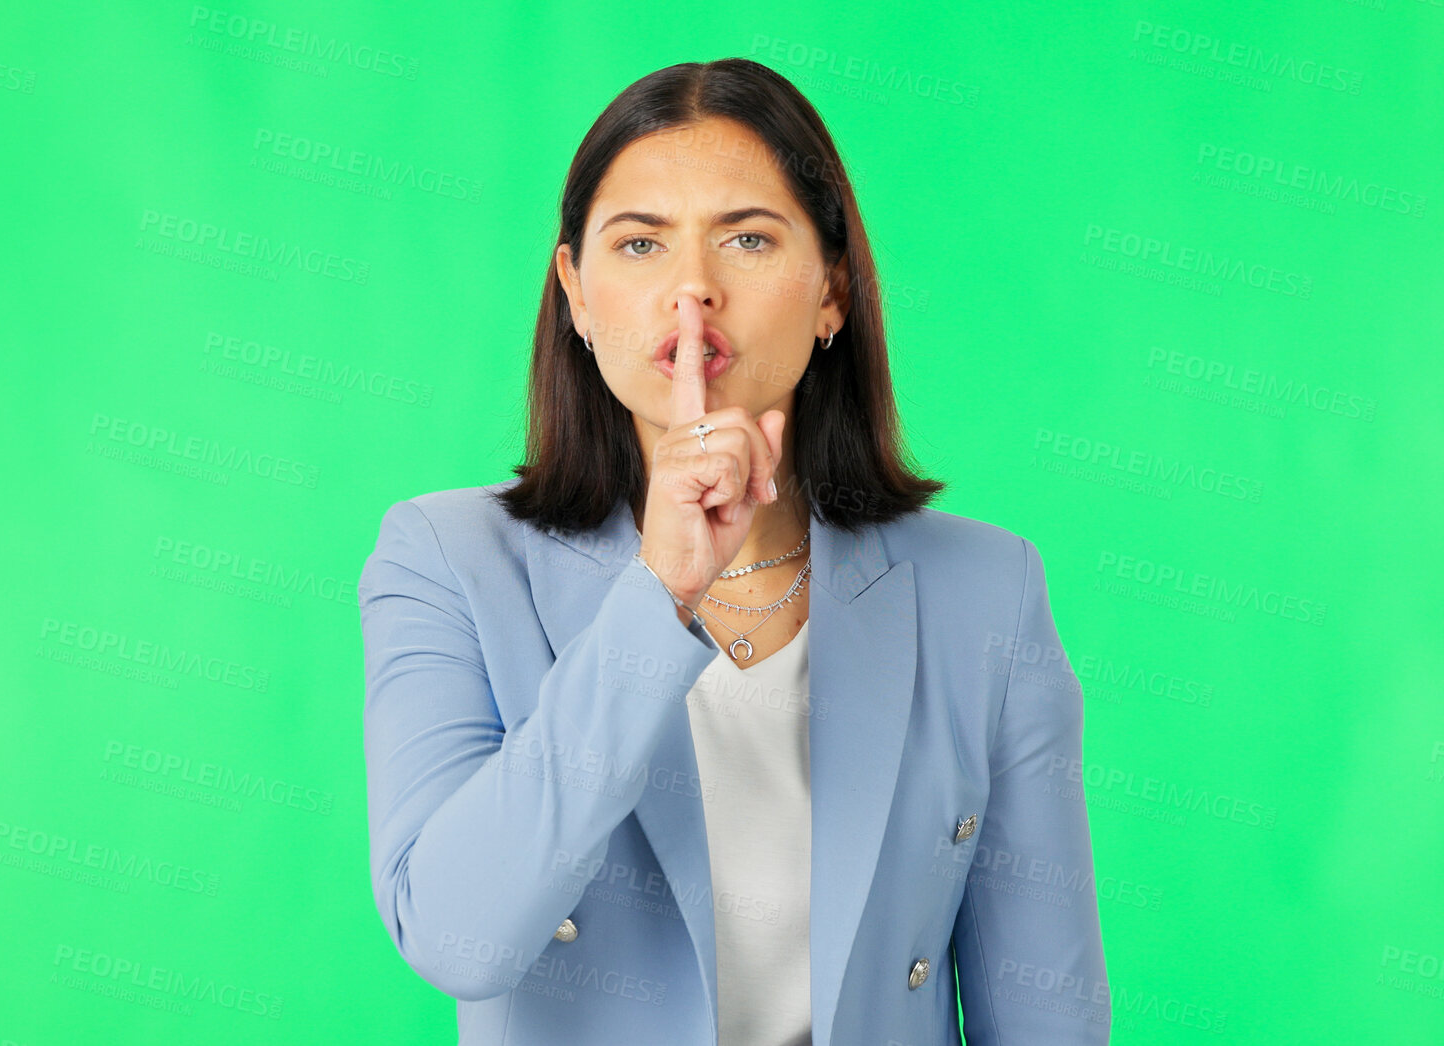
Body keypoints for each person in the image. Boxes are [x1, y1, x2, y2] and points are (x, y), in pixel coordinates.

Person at [360, 58, 1111, 1046]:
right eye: (638, 244)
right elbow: (457, 937)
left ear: (832, 287)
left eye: (748, 239)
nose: (691, 293)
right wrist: (660, 586)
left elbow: (1044, 1007)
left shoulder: (987, 590)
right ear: (575, 293)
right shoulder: (445, 558)